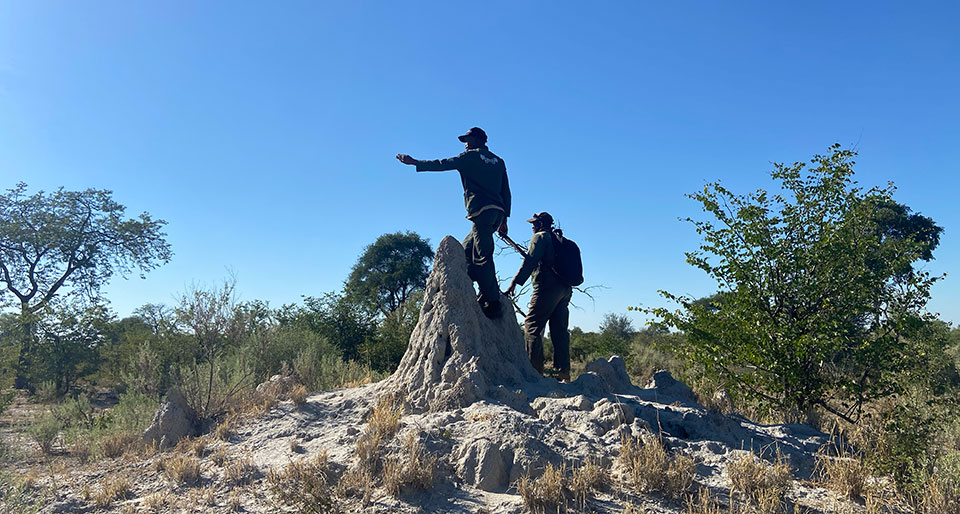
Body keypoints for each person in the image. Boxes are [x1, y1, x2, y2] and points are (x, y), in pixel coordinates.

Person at [396, 127, 511, 318]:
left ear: (478, 140)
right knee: (464, 250)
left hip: (481, 211)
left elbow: (443, 164)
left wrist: (415, 162)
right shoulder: (498, 161)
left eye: (468, 139)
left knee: (483, 257)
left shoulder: (470, 157)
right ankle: (468, 285)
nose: (465, 143)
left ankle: (492, 301)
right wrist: (505, 218)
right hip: (497, 212)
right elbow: (506, 191)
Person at [504, 212, 572, 382]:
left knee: (532, 326)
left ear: (541, 224)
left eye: (534, 223)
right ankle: (563, 371)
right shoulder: (558, 239)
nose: (532, 226)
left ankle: (534, 372)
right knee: (559, 330)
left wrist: (515, 282)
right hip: (565, 290)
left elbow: (530, 262)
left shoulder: (539, 238)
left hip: (547, 288)